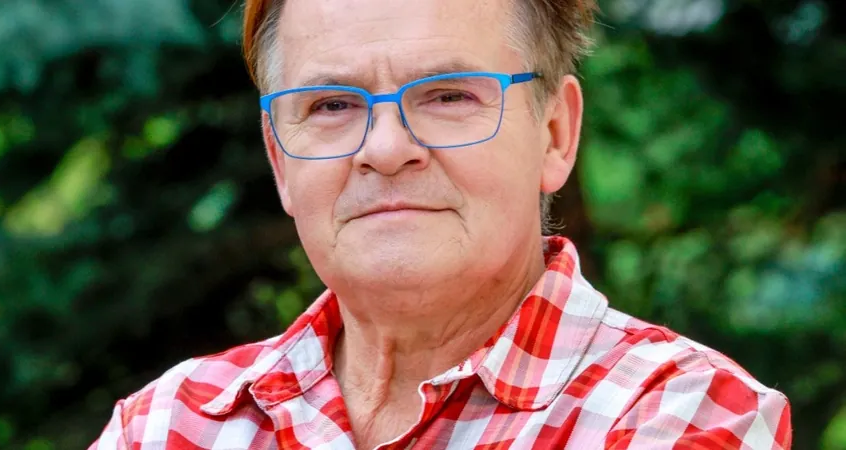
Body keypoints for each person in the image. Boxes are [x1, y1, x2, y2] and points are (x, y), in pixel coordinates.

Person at [90, 0, 792, 448]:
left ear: (555, 134)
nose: (385, 149)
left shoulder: (680, 413)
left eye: (447, 95)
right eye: (331, 105)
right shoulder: (170, 424)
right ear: (279, 160)